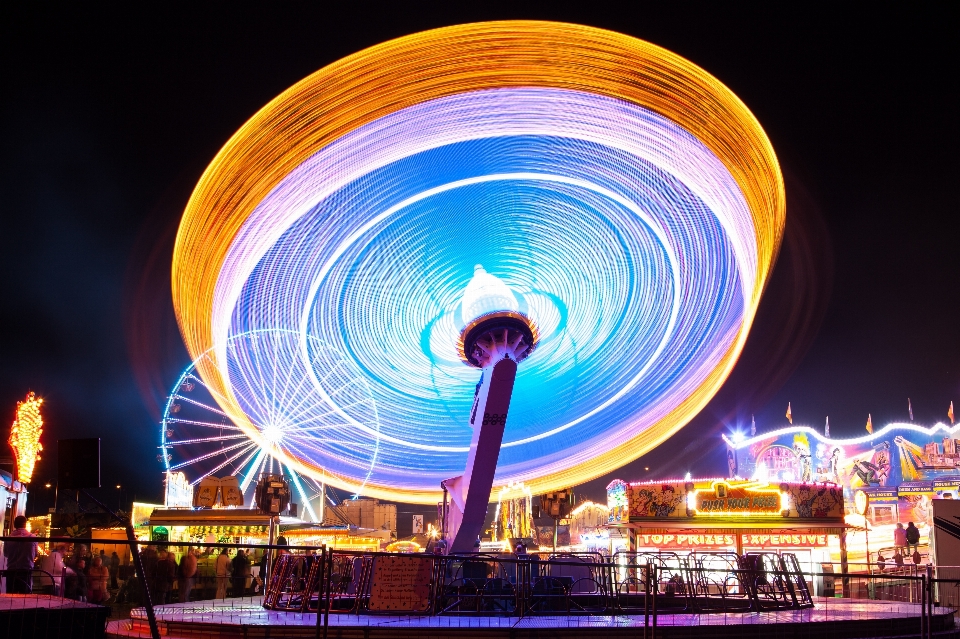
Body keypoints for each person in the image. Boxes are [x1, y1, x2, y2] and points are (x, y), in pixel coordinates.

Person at [3, 516, 38, 593]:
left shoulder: (8, 538)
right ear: (25, 524)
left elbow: (6, 554)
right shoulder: (32, 537)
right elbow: (36, 554)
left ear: (15, 525)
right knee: (25, 596)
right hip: (26, 571)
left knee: (11, 596)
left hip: (11, 571)